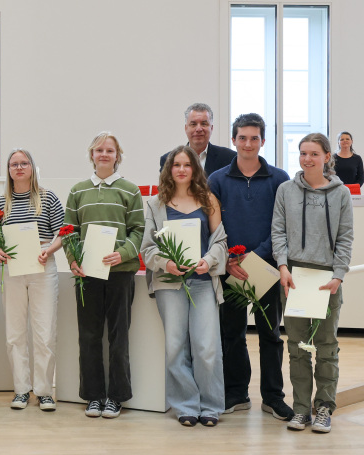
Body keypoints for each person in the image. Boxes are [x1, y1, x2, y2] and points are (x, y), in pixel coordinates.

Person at [208, 113, 294, 421]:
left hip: (267, 269)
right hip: (231, 269)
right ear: (233, 140)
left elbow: (282, 226)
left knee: (270, 334)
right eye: (242, 137)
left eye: (254, 138)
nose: (247, 143)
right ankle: (236, 393)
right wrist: (229, 259)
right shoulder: (216, 180)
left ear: (263, 141)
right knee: (231, 333)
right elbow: (213, 227)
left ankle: (273, 397)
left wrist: (257, 256)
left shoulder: (279, 178)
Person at [272, 133, 353, 433]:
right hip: (293, 277)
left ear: (327, 157)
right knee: (297, 347)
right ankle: (301, 409)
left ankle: (324, 409)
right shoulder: (285, 190)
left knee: (327, 346)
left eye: (314, 154)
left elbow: (345, 237)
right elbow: (278, 231)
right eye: (303, 153)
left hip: (327, 280)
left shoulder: (340, 193)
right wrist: (282, 266)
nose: (307, 159)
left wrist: (338, 275)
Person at [142, 146, 227, 427]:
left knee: (206, 346)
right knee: (176, 346)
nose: (181, 169)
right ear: (168, 170)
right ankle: (186, 405)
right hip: (169, 283)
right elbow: (148, 248)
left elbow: (220, 241)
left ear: (195, 169)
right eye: (175, 165)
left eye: (186, 165)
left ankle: (211, 406)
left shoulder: (208, 200)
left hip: (203, 282)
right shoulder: (155, 204)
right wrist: (165, 263)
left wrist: (208, 259)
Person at [64, 131, 145, 419]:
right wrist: (73, 260)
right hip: (87, 273)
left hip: (120, 273)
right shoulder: (77, 191)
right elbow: (68, 232)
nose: (104, 154)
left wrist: (122, 254)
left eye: (109, 150)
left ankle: (117, 397)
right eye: (99, 150)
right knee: (88, 336)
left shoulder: (130, 190)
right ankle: (94, 396)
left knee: (118, 336)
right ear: (92, 155)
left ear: (117, 155)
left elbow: (138, 230)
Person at [0, 149, 64, 411]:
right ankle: (21, 390)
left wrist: (50, 250)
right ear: (8, 170)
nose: (19, 168)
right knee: (15, 333)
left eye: (24, 163)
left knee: (44, 332)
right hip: (13, 270)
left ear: (32, 167)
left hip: (42, 268)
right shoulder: (1, 203)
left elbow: (63, 233)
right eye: (14, 164)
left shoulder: (48, 198)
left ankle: (44, 391)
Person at [160, 103, 237, 177]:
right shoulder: (169, 159)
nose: (199, 129)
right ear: (186, 128)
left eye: (204, 124)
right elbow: (166, 189)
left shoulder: (229, 158)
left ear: (211, 128)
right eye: (193, 124)